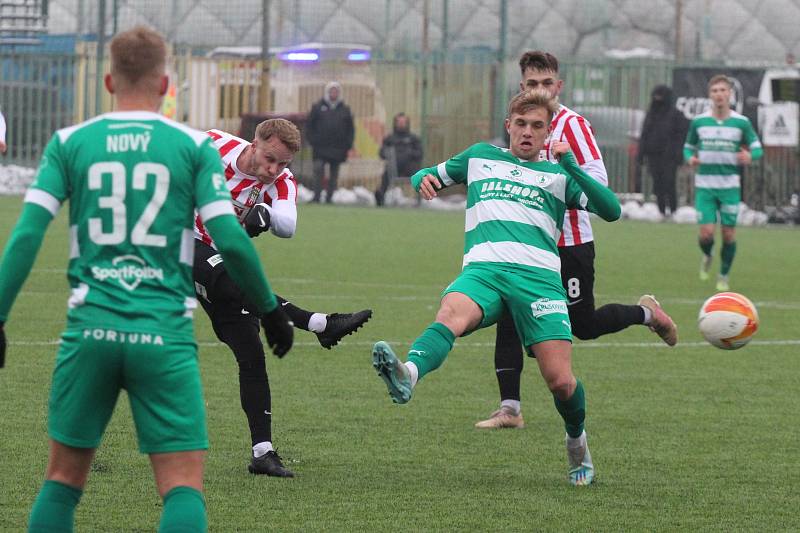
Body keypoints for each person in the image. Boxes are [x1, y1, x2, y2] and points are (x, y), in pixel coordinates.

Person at [0, 26, 293, 532]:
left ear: (109, 82)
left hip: (89, 330)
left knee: (63, 482)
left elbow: (26, 237)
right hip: (163, 336)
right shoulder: (191, 147)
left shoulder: (69, 143)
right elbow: (229, 234)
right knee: (182, 486)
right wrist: (268, 309)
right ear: (164, 85)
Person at [372, 89, 621, 485]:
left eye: (537, 126)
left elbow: (611, 210)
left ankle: (577, 444)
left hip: (538, 279)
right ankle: (408, 374)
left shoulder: (559, 176)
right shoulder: (480, 158)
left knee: (559, 380)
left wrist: (572, 166)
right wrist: (424, 181)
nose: (527, 132)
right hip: (484, 269)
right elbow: (427, 174)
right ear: (508, 126)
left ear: (547, 132)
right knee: (450, 314)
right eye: (520, 124)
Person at [476, 51, 678, 430]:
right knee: (507, 313)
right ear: (522, 87)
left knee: (581, 325)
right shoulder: (521, 124)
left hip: (570, 244)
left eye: (547, 83)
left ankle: (647, 313)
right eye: (532, 84)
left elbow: (598, 183)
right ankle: (510, 408)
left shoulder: (573, 125)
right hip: (526, 243)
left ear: (559, 85)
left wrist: (561, 172)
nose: (541, 90)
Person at [194, 121, 372, 477]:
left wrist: (267, 214)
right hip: (174, 240)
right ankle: (317, 322)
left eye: (284, 164)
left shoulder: (281, 182)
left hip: (217, 259)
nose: (274, 170)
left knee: (251, 349)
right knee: (228, 282)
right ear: (255, 142)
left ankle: (262, 452)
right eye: (270, 159)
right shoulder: (212, 144)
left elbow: (288, 224)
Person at [684, 74, 763, 291]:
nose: (719, 94)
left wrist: (750, 156)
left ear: (730, 94)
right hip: (705, 187)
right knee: (706, 233)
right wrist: (690, 158)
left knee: (728, 234)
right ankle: (708, 254)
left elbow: (757, 147)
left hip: (729, 187)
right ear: (710, 95)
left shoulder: (741, 123)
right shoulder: (699, 122)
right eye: (715, 91)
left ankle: (724, 275)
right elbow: (688, 147)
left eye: (723, 90)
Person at [638, 85, 689, 217]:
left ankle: (673, 210)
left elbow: (681, 136)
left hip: (670, 157)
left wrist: (678, 154)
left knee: (669, 182)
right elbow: (645, 134)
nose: (658, 99)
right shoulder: (651, 114)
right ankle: (661, 211)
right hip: (653, 155)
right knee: (657, 184)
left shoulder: (676, 115)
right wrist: (641, 153)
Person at [306, 81, 355, 203]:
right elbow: (309, 126)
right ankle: (316, 196)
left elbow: (351, 129)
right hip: (320, 147)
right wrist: (313, 140)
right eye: (332, 91)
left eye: (336, 91)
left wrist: (348, 144)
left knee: (334, 174)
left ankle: (329, 197)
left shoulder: (345, 109)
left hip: (338, 148)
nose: (334, 93)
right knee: (318, 170)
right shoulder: (317, 107)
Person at [375, 112, 423, 206]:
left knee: (420, 174)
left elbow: (420, 154)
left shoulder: (413, 139)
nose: (401, 124)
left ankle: (420, 199)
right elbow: (381, 153)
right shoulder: (390, 139)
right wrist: (388, 153)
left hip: (410, 168)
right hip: (394, 169)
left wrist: (410, 153)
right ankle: (380, 196)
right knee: (387, 172)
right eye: (399, 122)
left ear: (407, 123)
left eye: (403, 122)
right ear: (395, 123)